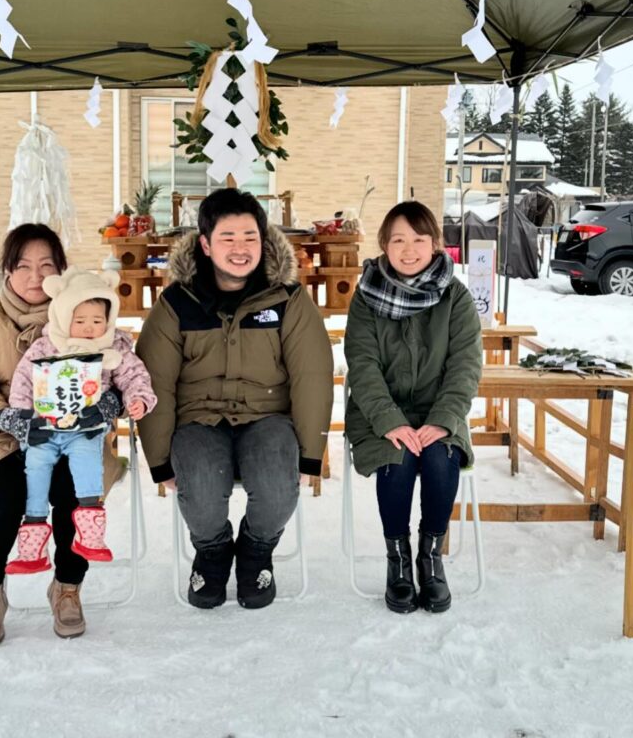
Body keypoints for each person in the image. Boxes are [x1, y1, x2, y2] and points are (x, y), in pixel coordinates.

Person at [137, 188, 333, 609]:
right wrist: (158, 460)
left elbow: (312, 375)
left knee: (279, 490)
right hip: (198, 421)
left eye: (250, 236)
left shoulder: (287, 300)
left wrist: (311, 454)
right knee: (203, 492)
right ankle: (212, 552)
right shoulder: (176, 303)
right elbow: (154, 381)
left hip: (268, 419)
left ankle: (256, 551)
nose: (240, 248)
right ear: (205, 244)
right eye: (227, 237)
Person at [0, 224, 123, 646]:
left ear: (59, 273)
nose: (34, 277)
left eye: (45, 265)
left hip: (76, 434)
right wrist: (6, 418)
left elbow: (122, 368)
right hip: (7, 438)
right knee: (0, 497)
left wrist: (111, 404)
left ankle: (67, 587)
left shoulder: (84, 312)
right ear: (7, 271)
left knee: (75, 496)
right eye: (23, 266)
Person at [344, 201, 482, 615]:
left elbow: (466, 365)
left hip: (440, 414)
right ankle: (398, 561)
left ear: (436, 245)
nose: (409, 250)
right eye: (398, 240)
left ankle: (430, 557)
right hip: (378, 415)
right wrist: (390, 422)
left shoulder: (455, 297)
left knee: (441, 459)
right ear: (384, 245)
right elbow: (362, 365)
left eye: (419, 240)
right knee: (397, 458)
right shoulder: (366, 297)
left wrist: (443, 421)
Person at [4, 268, 156, 572]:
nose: (89, 329)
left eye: (98, 321)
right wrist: (22, 415)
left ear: (109, 320)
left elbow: (134, 376)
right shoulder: (47, 346)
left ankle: (91, 532)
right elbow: (23, 379)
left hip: (85, 429)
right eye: (80, 320)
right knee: (35, 468)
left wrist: (137, 399)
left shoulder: (114, 348)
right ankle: (32, 540)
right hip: (44, 427)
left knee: (88, 464)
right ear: (63, 317)